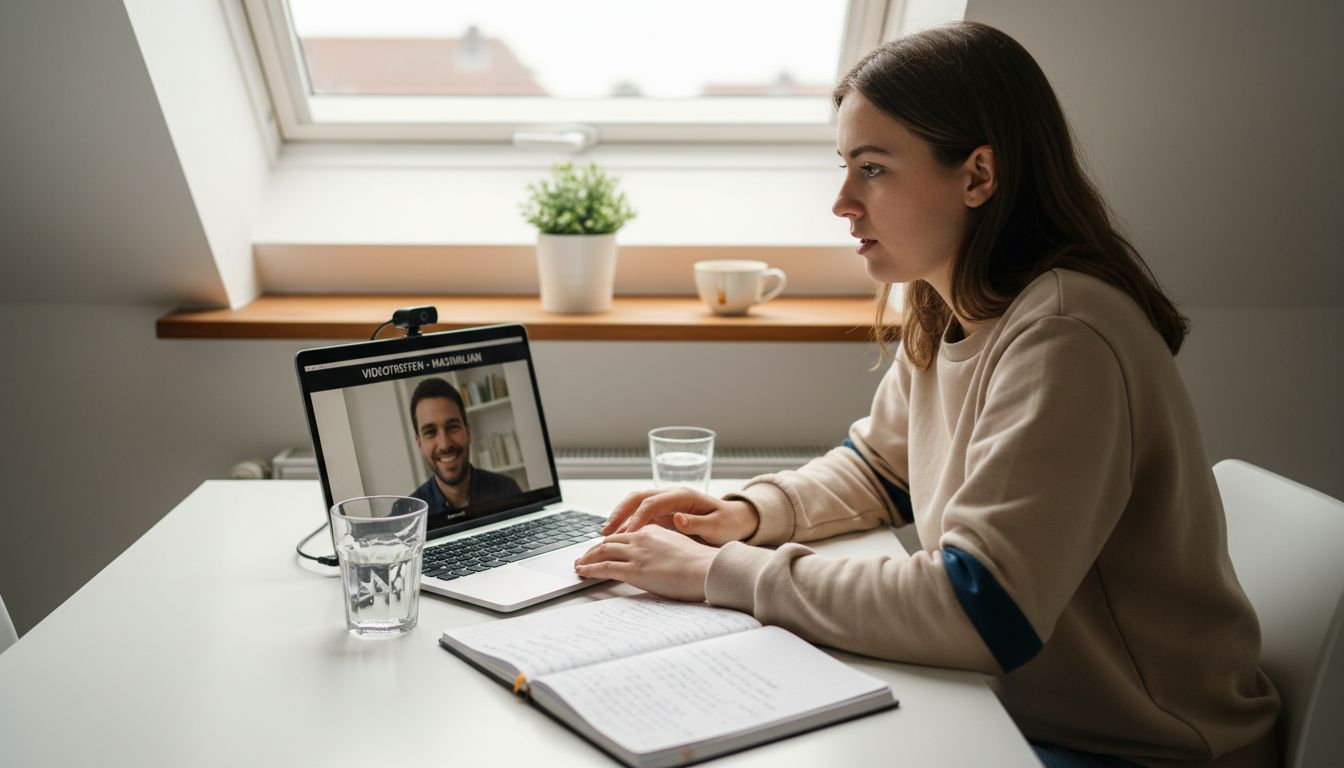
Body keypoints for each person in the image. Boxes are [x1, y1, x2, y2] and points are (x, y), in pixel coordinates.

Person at [574, 21, 1279, 768]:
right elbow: (880, 469)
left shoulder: (1065, 337)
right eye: (845, 166)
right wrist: (749, 514)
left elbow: (981, 610)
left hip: (1141, 750)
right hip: (1027, 714)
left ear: (977, 175)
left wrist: (722, 575)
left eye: (872, 169)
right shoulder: (954, 302)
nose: (842, 201)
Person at [408, 377, 520, 527]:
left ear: (468, 432)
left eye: (452, 427)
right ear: (420, 444)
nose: (444, 444)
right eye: (430, 432)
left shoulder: (508, 490)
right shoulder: (407, 515)